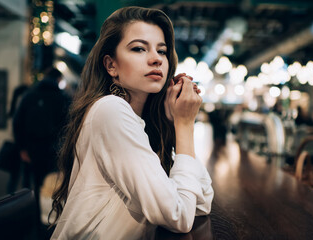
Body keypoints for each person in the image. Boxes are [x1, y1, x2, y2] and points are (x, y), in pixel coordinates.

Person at [49, 6, 214, 239]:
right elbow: (180, 216)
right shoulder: (111, 110)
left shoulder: (140, 122)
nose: (156, 58)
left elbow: (201, 201)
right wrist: (185, 124)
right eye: (138, 48)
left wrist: (173, 124)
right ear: (111, 65)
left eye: (162, 50)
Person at [13, 67, 71, 213]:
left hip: (30, 149)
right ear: (58, 80)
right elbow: (69, 126)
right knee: (50, 185)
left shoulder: (29, 95)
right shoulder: (63, 98)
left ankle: (28, 215)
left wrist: (22, 148)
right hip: (53, 151)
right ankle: (47, 216)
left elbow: (17, 122)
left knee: (28, 184)